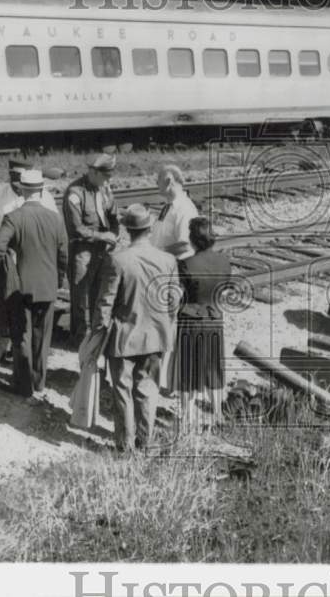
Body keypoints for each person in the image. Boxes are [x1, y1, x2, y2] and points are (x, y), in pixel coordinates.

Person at [96, 204, 180, 453]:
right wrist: (166, 323)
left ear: (127, 230)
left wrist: (98, 333)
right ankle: (146, 440)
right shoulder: (168, 260)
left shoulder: (117, 260)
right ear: (150, 228)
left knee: (122, 389)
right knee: (147, 388)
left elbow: (105, 301)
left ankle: (125, 444)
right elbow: (174, 300)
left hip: (124, 336)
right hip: (156, 335)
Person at [0, 170, 68, 402]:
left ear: (23, 190)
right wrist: (58, 279)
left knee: (21, 335)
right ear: (42, 189)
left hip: (21, 287)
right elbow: (64, 254)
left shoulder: (13, 217)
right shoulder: (55, 218)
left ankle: (23, 387)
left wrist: (8, 264)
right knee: (42, 336)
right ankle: (39, 383)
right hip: (48, 286)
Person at [0, 159, 57, 368]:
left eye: (19, 177)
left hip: (31, 259)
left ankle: (21, 352)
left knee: (25, 311)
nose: (15, 181)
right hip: (5, 259)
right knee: (0, 307)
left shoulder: (45, 197)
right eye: (12, 177)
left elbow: (54, 229)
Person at [176, 217, 231, 433]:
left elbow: (180, 294)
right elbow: (224, 292)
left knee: (188, 370)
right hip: (214, 320)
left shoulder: (186, 264)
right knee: (213, 368)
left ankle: (186, 419)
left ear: (192, 239)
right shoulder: (224, 262)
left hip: (190, 322)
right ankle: (217, 414)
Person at [150, 163, 199, 390]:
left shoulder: (185, 209)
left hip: (175, 275)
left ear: (169, 181)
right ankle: (162, 376)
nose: (156, 184)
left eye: (158, 180)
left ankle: (169, 381)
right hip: (163, 272)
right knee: (163, 325)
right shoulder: (169, 206)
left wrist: (155, 255)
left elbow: (185, 245)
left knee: (170, 326)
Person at [63, 154, 120, 344]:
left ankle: (95, 337)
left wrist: (114, 233)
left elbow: (113, 215)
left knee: (99, 293)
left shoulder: (105, 188)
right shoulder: (75, 192)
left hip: (103, 249)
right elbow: (76, 228)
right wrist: (103, 236)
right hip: (82, 250)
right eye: (105, 176)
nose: (108, 181)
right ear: (93, 172)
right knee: (81, 296)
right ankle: (80, 338)